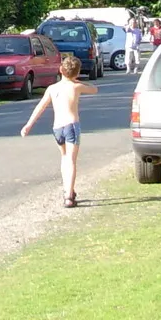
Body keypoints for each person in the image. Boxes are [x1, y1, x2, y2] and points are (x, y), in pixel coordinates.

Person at [20, 54, 98, 207]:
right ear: (77, 73)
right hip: (71, 126)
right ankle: (69, 195)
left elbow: (40, 106)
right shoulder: (76, 86)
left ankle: (67, 188)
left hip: (57, 128)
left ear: (61, 70)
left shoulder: (52, 88)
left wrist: (28, 125)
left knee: (64, 158)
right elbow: (94, 89)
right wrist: (77, 80)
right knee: (71, 160)